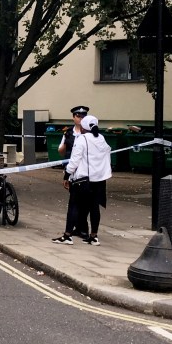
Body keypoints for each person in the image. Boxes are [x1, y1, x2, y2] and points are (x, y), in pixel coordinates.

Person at [53, 114, 112, 245]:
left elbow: (74, 160)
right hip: (99, 179)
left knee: (74, 205)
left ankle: (67, 236)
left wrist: (67, 175)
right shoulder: (101, 138)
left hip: (83, 180)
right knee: (94, 207)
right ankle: (94, 236)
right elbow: (107, 153)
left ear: (84, 127)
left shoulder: (82, 139)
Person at [59, 105, 90, 239]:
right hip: (72, 171)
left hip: (86, 172)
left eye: (83, 116)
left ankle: (81, 229)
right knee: (75, 201)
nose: (81, 118)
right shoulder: (68, 133)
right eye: (78, 116)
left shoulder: (89, 133)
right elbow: (61, 152)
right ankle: (78, 228)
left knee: (85, 203)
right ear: (73, 118)